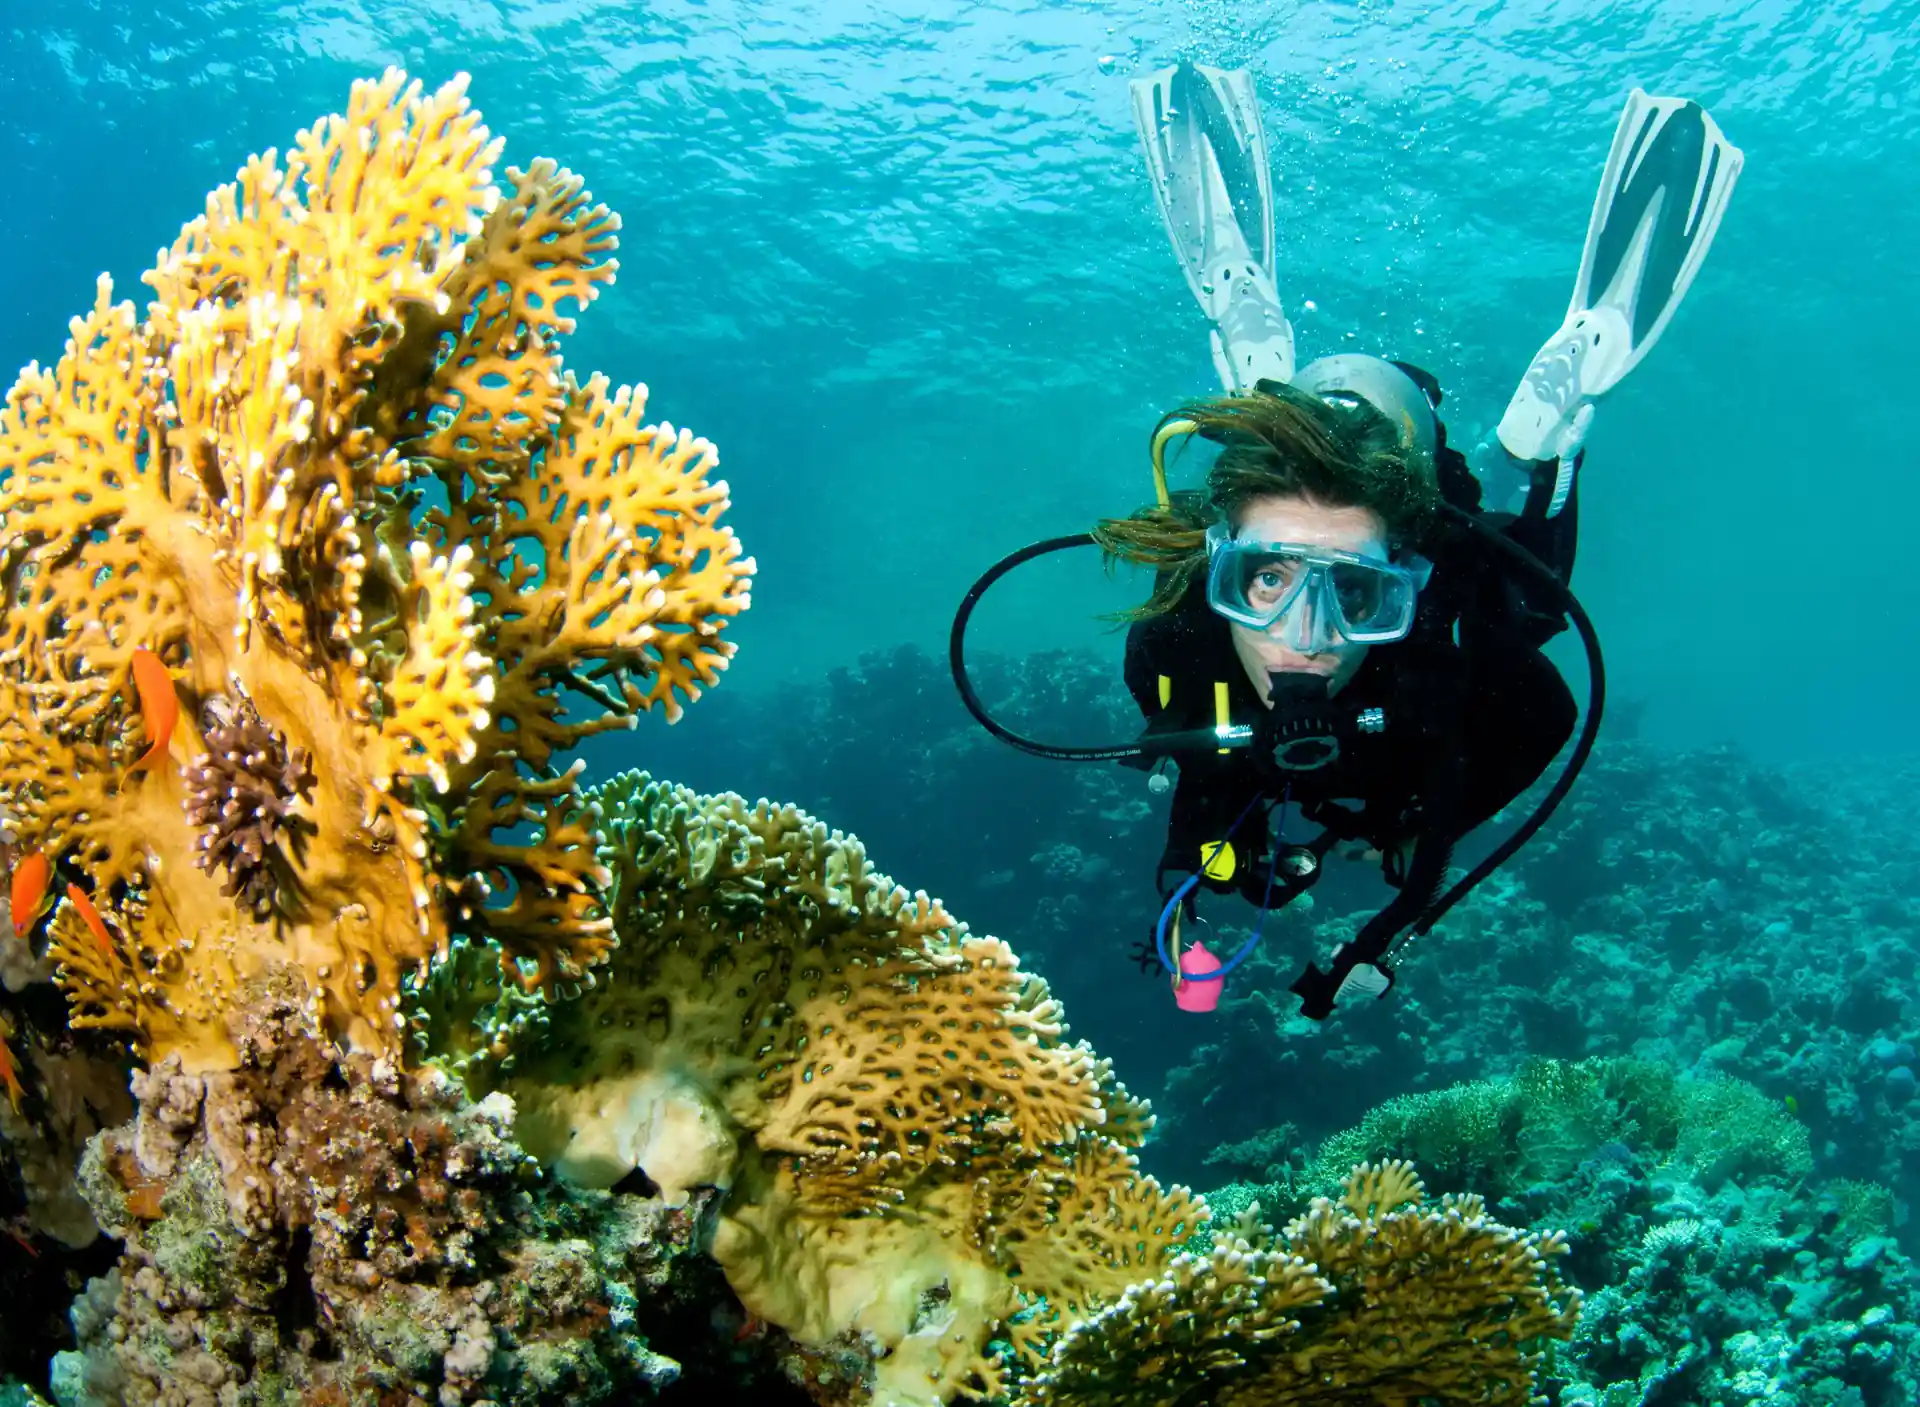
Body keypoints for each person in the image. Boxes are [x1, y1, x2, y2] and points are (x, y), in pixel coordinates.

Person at [1096, 65, 1744, 1014]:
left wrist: (1403, 835)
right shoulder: (1174, 644)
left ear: (1399, 582)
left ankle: (1541, 450)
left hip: (1422, 481)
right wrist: (1210, 868)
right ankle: (1272, 387)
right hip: (1342, 485)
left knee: (1524, 601)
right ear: (1221, 569)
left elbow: (1545, 720)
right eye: (1266, 579)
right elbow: (1201, 767)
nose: (1306, 635)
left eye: (1354, 591)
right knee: (1505, 593)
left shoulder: (1433, 654)